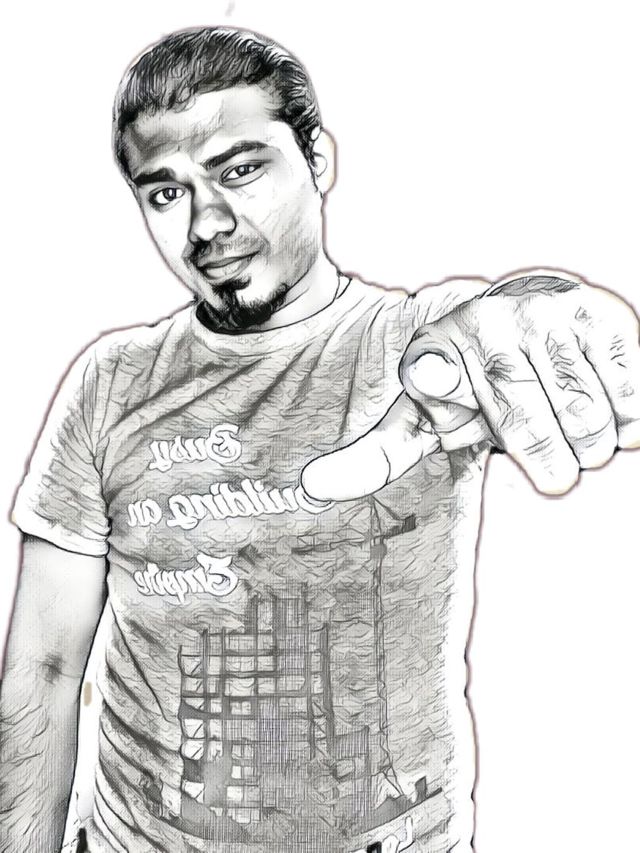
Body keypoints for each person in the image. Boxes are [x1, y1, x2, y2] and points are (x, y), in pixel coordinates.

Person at [1, 25, 638, 853]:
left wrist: (558, 322)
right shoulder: (109, 383)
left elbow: (503, 319)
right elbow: (46, 668)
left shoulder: (413, 344)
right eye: (165, 192)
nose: (207, 223)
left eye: (240, 169)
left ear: (318, 161)